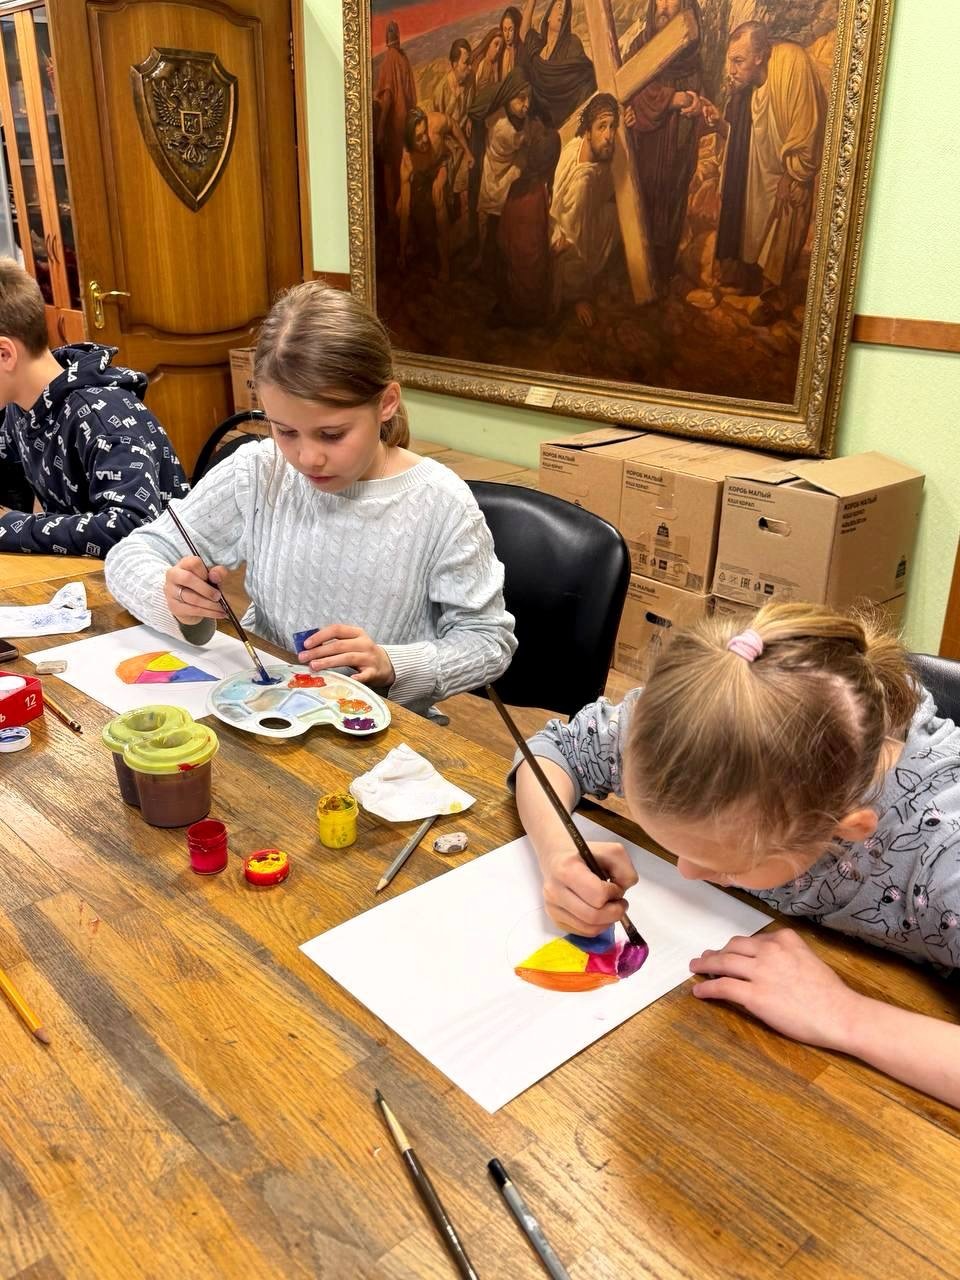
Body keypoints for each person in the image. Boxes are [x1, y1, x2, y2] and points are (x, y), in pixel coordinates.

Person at [512, 602, 960, 1108]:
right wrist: (559, 853)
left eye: (728, 862)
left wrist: (843, 1014)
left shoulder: (945, 854)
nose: (685, 872)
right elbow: (551, 754)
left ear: (844, 829)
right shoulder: (689, 727)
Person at [104, 282, 516, 715]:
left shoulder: (440, 503)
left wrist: (392, 663)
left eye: (332, 434)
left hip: (379, 728)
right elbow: (129, 555)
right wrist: (170, 594)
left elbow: (488, 642)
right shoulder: (260, 472)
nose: (307, 457)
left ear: (386, 403)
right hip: (265, 707)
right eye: (285, 431)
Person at [0, 257, 187, 556]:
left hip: (157, 574)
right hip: (83, 573)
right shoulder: (20, 406)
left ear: (5, 354)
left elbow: (132, 525)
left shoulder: (101, 416)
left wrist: (12, 527)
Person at [702, 22, 825, 322]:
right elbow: (747, 139)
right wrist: (721, 124)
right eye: (730, 61)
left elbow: (807, 128)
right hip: (759, 174)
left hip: (789, 172)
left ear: (759, 57)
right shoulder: (747, 89)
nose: (731, 70)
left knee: (787, 213)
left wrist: (793, 175)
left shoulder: (791, 64)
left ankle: (773, 296)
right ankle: (749, 279)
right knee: (752, 224)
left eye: (738, 61)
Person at [621, 0, 704, 295]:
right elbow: (626, 89)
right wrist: (671, 99)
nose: (664, 6)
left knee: (671, 199)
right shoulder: (639, 47)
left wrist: (694, 102)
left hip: (677, 142)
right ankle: (635, 271)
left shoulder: (689, 51)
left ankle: (663, 272)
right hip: (644, 143)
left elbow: (696, 88)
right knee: (641, 198)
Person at [549, 93, 621, 327]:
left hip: (573, 222)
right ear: (588, 131)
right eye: (602, 127)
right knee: (613, 218)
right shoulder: (583, 184)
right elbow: (572, 244)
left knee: (611, 214)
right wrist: (578, 297)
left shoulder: (576, 145)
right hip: (565, 245)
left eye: (613, 126)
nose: (609, 135)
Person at [398, 107, 462, 281]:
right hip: (424, 173)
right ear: (410, 140)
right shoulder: (408, 161)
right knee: (399, 209)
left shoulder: (436, 123)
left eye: (425, 133)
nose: (425, 139)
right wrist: (401, 252)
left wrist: (469, 152)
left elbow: (453, 125)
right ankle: (413, 245)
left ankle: (445, 264)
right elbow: (405, 210)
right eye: (418, 137)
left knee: (437, 193)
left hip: (441, 162)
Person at [519, 0, 596, 129]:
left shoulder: (572, 43)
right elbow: (524, 33)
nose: (561, 12)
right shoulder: (538, 47)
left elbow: (585, 75)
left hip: (569, 120)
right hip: (543, 123)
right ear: (548, 16)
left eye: (565, 10)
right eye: (559, 6)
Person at [374, 21, 418, 229]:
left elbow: (388, 98)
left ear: (387, 38)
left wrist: (380, 129)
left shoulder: (388, 62)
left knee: (391, 174)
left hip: (393, 128)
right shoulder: (404, 59)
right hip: (406, 126)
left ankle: (394, 222)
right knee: (404, 174)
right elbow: (411, 98)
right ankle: (405, 221)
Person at [432, 38, 476, 211]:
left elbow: (472, 107)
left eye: (470, 62)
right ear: (454, 64)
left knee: (466, 190)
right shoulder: (440, 90)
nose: (470, 67)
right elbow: (437, 129)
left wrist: (470, 119)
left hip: (464, 145)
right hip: (446, 149)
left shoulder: (470, 80)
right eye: (466, 63)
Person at [497, 6, 524, 79]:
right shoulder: (501, 51)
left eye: (510, 30)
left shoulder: (522, 50)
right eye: (505, 30)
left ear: (517, 29)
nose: (507, 35)